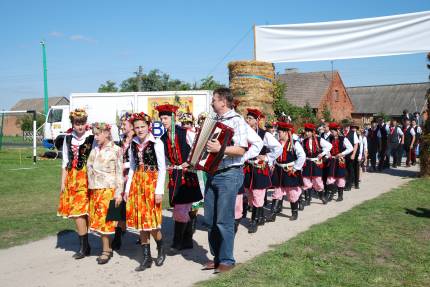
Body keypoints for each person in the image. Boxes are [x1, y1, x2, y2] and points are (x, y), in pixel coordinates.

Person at [202, 88, 248, 273]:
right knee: (210, 219)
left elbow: (241, 149)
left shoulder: (237, 121)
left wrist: (221, 149)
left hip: (229, 173)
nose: (212, 103)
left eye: (214, 100)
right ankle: (217, 257)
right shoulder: (214, 121)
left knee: (223, 219)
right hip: (212, 172)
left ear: (223, 102)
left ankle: (227, 260)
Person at [156, 104, 203, 254]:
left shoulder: (185, 132)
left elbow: (198, 146)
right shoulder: (162, 137)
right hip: (175, 175)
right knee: (182, 207)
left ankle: (177, 242)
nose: (163, 121)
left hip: (188, 174)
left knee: (180, 209)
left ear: (173, 117)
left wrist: (189, 162)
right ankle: (187, 240)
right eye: (161, 118)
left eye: (166, 118)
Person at [125, 112, 166, 271]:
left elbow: (162, 169)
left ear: (148, 126)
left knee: (152, 222)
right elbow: (133, 167)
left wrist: (159, 190)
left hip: (152, 182)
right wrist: (128, 189)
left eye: (143, 126)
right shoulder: (133, 143)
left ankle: (161, 247)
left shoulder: (156, 143)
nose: (140, 129)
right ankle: (147, 257)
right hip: (137, 183)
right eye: (137, 127)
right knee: (141, 222)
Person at [57, 108, 94, 259]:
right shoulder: (67, 138)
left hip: (90, 177)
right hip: (73, 179)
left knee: (90, 212)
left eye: (82, 123)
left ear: (86, 123)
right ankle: (84, 246)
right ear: (72, 123)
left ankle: (110, 239)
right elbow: (65, 162)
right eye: (77, 123)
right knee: (77, 212)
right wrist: (63, 183)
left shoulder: (92, 137)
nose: (80, 126)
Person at [87, 122, 123, 264]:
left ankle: (106, 250)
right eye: (94, 134)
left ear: (107, 133)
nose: (95, 137)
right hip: (95, 189)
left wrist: (119, 192)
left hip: (108, 190)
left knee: (105, 222)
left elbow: (119, 172)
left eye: (97, 134)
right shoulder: (95, 149)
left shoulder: (116, 149)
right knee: (98, 221)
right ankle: (109, 245)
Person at [243, 108, 281, 233]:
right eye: (247, 118)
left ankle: (254, 221)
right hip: (247, 167)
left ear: (257, 120)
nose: (247, 120)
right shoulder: (243, 132)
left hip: (259, 168)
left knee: (258, 194)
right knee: (249, 194)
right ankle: (260, 216)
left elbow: (278, 148)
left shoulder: (264, 134)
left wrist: (267, 157)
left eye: (250, 118)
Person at [267, 122, 306, 222]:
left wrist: (296, 168)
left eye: (279, 132)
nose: (278, 133)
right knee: (277, 192)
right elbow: (272, 154)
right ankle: (273, 214)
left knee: (292, 193)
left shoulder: (294, 143)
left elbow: (302, 156)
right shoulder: (276, 142)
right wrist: (271, 164)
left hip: (290, 170)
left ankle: (294, 212)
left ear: (285, 132)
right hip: (279, 170)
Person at [111, 112, 134, 250]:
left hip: (133, 176)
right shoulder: (121, 140)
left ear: (131, 125)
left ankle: (142, 236)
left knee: (134, 206)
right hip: (120, 178)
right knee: (118, 205)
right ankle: (118, 235)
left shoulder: (138, 140)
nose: (121, 126)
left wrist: (124, 166)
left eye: (124, 124)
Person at [301, 123, 332, 206]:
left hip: (316, 162)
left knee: (318, 180)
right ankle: (307, 199)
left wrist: (322, 154)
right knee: (306, 180)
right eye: (306, 132)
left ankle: (322, 197)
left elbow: (329, 146)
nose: (307, 133)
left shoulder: (318, 139)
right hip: (307, 162)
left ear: (312, 132)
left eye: (309, 132)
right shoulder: (303, 141)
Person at [326, 122, 353, 202]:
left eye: (333, 131)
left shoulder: (343, 138)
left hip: (340, 160)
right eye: (331, 131)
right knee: (330, 178)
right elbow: (327, 149)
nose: (331, 133)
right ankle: (333, 191)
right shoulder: (330, 138)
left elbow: (350, 148)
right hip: (332, 160)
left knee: (340, 178)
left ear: (337, 130)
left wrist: (342, 153)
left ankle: (340, 196)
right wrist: (328, 156)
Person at [342, 121, 359, 190]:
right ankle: (346, 183)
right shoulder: (341, 133)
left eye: (347, 127)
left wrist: (353, 154)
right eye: (344, 127)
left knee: (350, 169)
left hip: (351, 154)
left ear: (349, 127)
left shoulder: (352, 133)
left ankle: (349, 185)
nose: (345, 128)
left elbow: (356, 144)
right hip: (343, 154)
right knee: (345, 170)